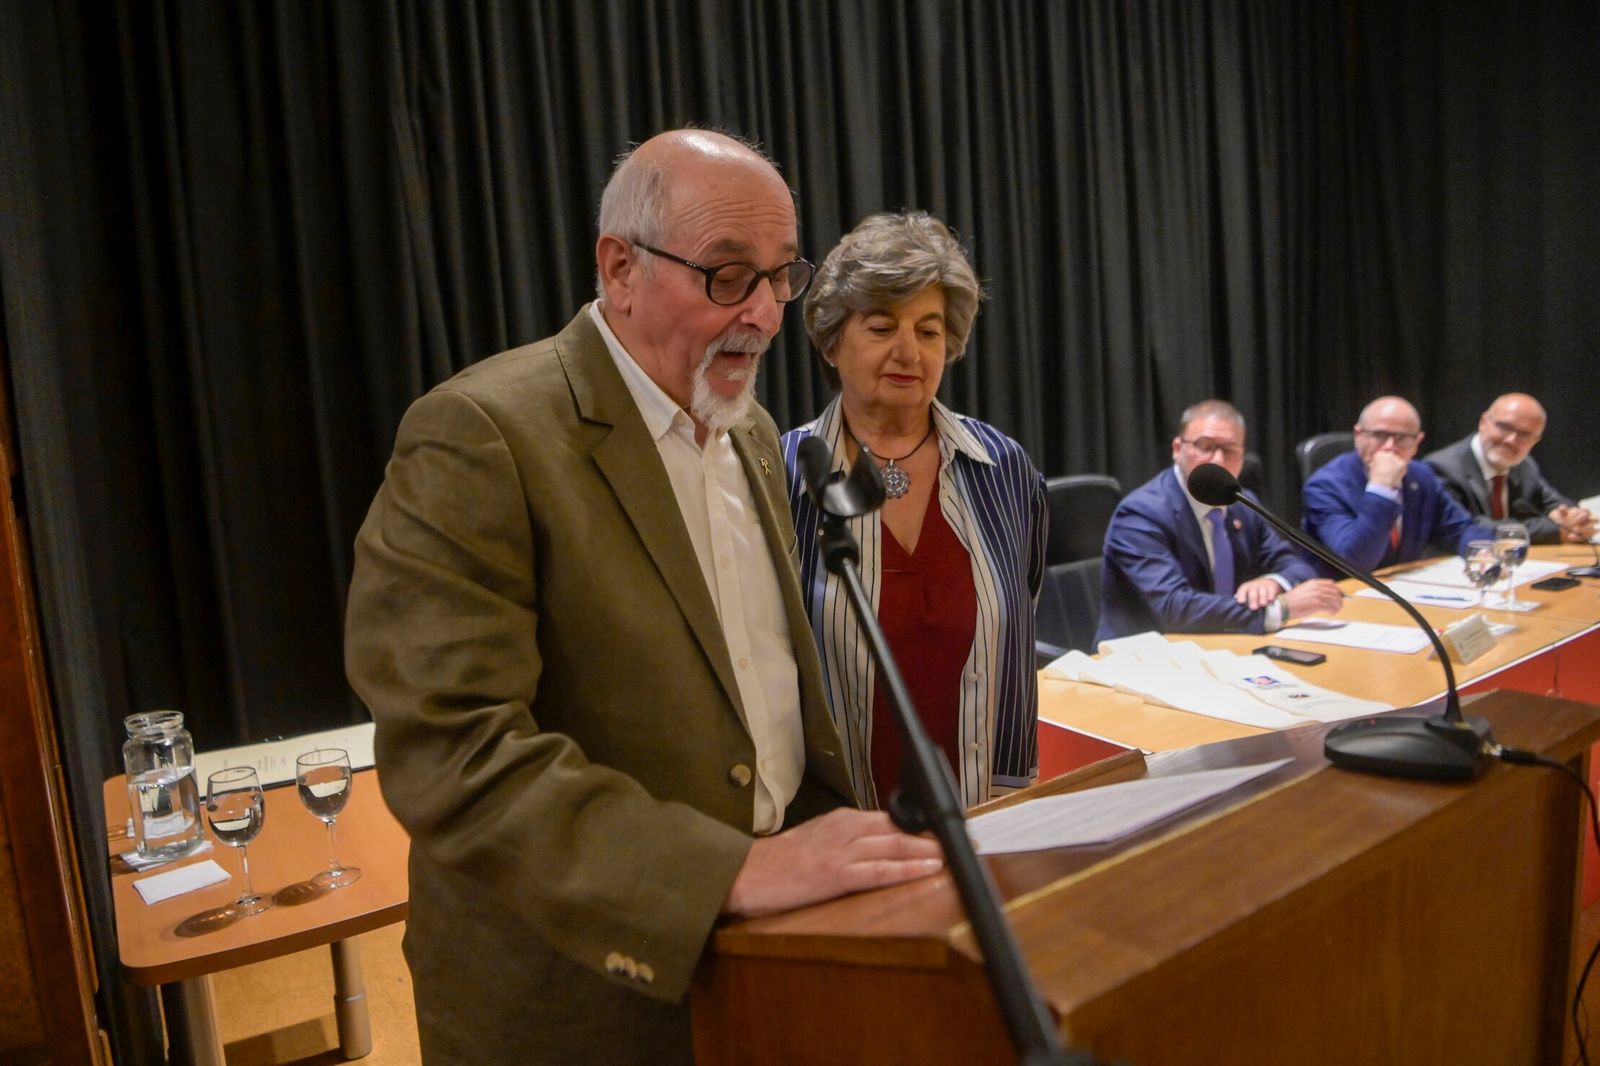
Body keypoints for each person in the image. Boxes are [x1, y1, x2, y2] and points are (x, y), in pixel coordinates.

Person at [344, 130, 943, 1065]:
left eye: (782, 277)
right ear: (619, 267)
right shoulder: (480, 435)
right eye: (727, 276)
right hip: (580, 997)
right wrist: (728, 870)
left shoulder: (749, 433)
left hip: (768, 958)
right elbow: (450, 749)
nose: (763, 315)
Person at [779, 211, 1046, 810]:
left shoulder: (1002, 467)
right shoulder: (781, 474)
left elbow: (1019, 619)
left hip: (986, 807)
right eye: (881, 327)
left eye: (929, 331)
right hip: (839, 824)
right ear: (832, 339)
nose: (908, 351)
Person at [1096, 400, 1343, 644]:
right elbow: (1173, 607)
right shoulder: (1141, 514)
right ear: (1176, 449)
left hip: (1223, 644)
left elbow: (1294, 565)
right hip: (1144, 656)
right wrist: (1279, 609)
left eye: (1229, 450)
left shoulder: (1243, 503)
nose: (1217, 460)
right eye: (1205, 446)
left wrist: (1273, 582)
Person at [1300, 395, 1490, 574]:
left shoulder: (1421, 475)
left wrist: (1482, 552)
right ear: (1358, 435)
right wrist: (1381, 489)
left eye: (1401, 438)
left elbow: (1460, 529)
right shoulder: (1325, 485)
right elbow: (1356, 561)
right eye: (1379, 435)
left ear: (1417, 442)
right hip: (1343, 596)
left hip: (1402, 590)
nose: (1390, 446)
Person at [1423, 392, 1596, 544]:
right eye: (1504, 427)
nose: (1511, 440)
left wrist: (1573, 518)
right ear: (1483, 422)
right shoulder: (1442, 468)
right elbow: (1468, 526)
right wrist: (1554, 529)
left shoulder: (1524, 465)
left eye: (1524, 434)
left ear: (1536, 441)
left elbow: (1554, 503)